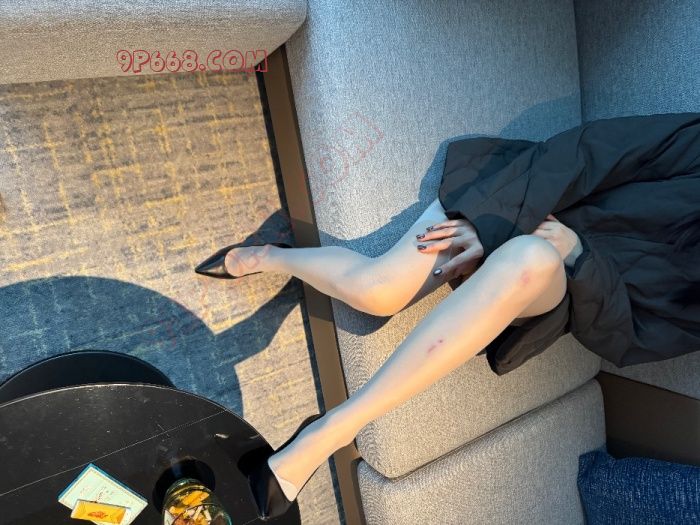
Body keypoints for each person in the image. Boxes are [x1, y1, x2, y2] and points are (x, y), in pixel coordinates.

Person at [195, 112, 700, 520]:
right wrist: (494, 226)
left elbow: (628, 337)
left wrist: (578, 255)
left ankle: (332, 430)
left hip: (557, 285)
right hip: (527, 198)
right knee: (377, 292)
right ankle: (271, 256)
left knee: (533, 259)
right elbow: (589, 151)